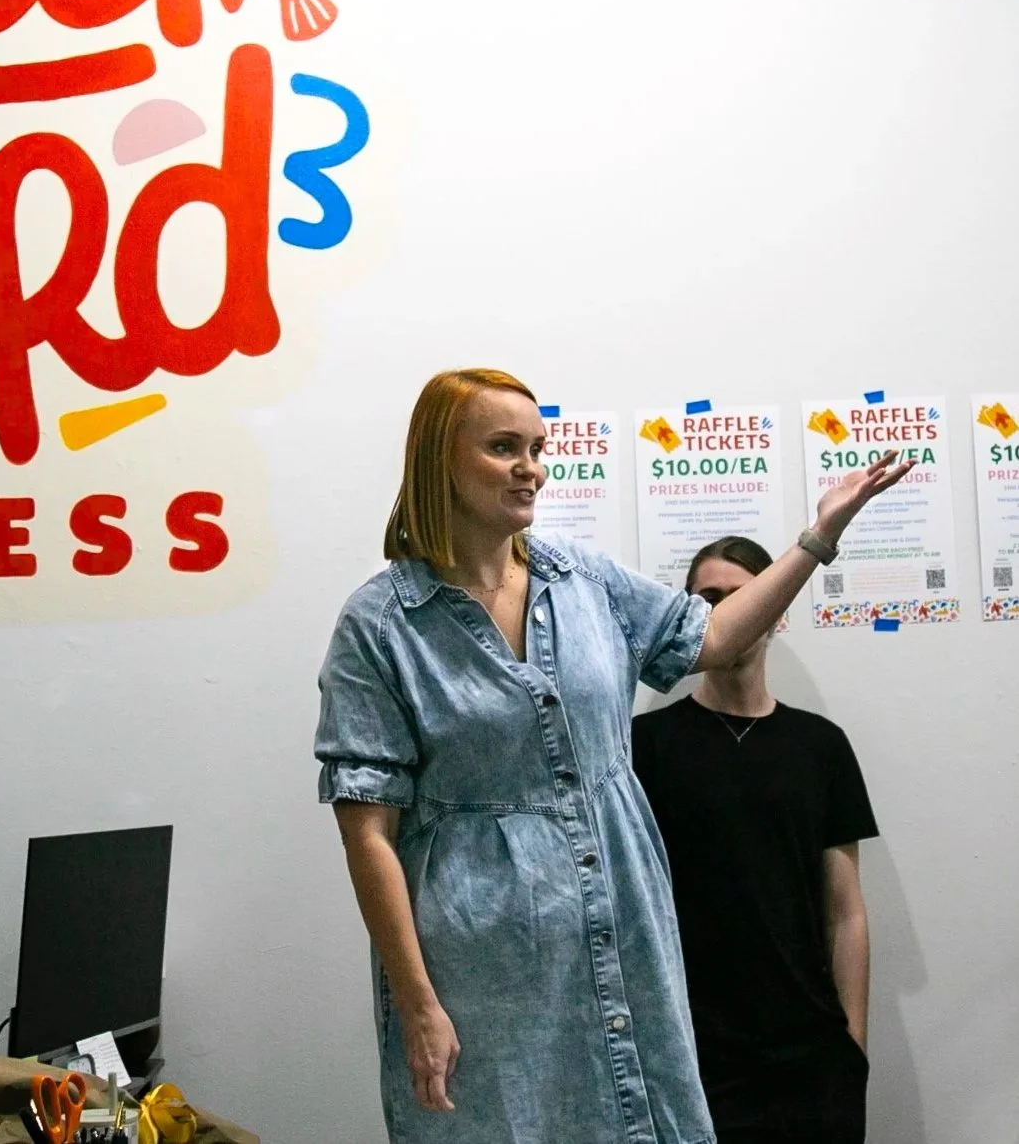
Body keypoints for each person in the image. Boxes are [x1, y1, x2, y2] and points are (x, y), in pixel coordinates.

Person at [313, 369, 909, 1143]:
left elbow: (712, 634)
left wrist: (817, 537)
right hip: (482, 971)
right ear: (439, 458)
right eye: (503, 447)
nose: (530, 468)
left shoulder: (582, 579)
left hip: (623, 934)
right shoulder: (381, 623)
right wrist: (417, 1000)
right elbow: (367, 832)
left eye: (537, 448)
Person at [631, 536, 878, 1144]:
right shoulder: (642, 746)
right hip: (689, 1056)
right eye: (709, 599)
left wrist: (852, 1048)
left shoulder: (820, 746)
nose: (726, 611)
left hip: (811, 1058)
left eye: (741, 595)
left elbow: (845, 912)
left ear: (774, 608)